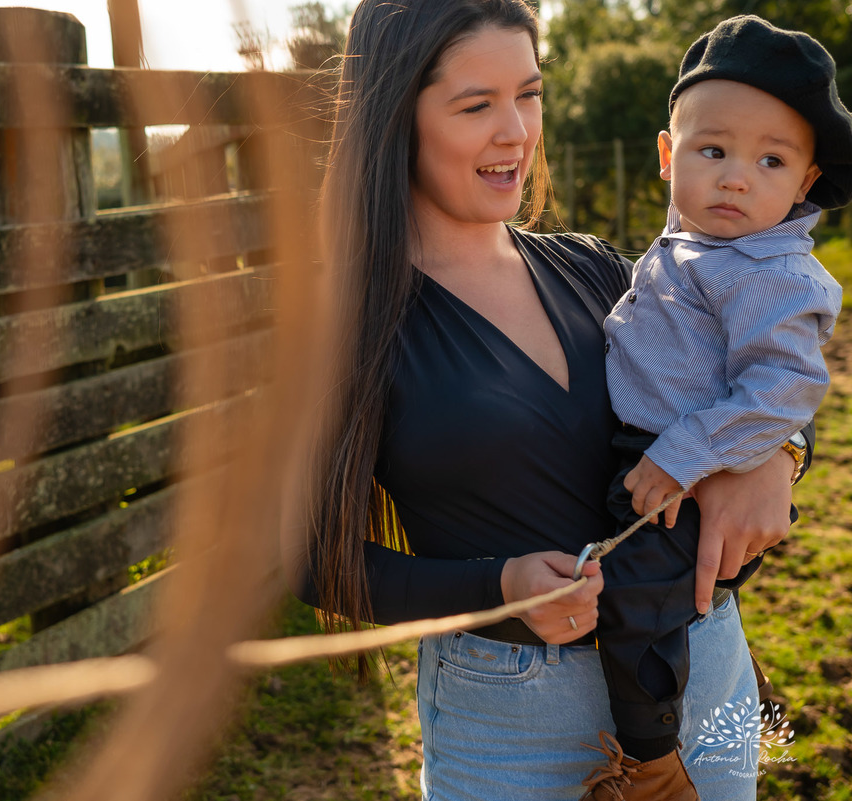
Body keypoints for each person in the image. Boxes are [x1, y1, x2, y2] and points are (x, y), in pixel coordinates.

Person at [286, 2, 810, 799]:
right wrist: (496, 585)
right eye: (476, 105)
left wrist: (781, 452)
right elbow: (305, 558)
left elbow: (753, 357)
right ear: (397, 116)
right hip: (509, 722)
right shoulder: (350, 328)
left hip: (704, 681)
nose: (517, 132)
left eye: (527, 94)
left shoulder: (602, 272)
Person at [590, 14, 851, 796]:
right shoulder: (689, 245)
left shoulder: (772, 273)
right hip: (653, 456)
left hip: (687, 470)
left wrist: (685, 455)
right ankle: (734, 700)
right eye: (714, 151)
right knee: (649, 593)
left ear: (805, 184)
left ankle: (652, 763)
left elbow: (785, 390)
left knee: (634, 601)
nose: (737, 177)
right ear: (669, 157)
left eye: (771, 160)